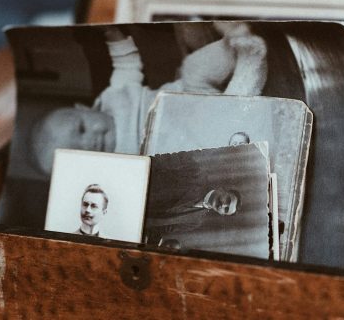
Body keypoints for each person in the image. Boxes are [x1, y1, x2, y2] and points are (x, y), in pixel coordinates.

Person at [29, 23, 268, 176]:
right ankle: (247, 76)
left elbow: (126, 65)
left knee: (193, 67)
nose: (89, 142)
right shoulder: (117, 165)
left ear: (83, 108)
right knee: (222, 136)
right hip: (195, 134)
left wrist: (114, 36)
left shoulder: (113, 96)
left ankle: (237, 45)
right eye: (78, 154)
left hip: (188, 92)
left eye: (81, 129)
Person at [145, 188, 242, 244]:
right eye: (228, 200)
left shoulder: (195, 222)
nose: (223, 205)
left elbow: (164, 229)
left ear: (221, 214)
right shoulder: (195, 177)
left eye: (226, 209)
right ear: (222, 189)